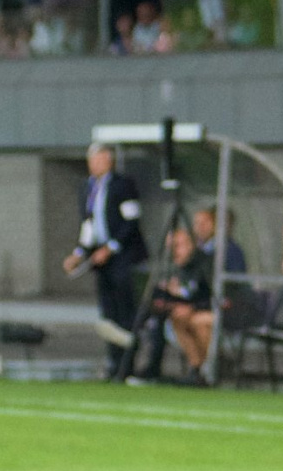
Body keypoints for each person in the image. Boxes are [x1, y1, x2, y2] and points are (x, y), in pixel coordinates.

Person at [63, 143, 147, 382]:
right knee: (108, 315)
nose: (93, 164)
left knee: (125, 312)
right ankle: (113, 363)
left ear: (108, 161)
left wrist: (110, 248)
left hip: (123, 257)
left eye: (98, 159)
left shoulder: (123, 185)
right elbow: (88, 224)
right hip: (101, 260)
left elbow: (131, 222)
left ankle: (128, 365)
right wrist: (79, 253)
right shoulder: (87, 187)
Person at [134, 228, 216, 386]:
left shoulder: (205, 264)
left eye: (178, 246)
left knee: (198, 322)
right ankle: (196, 369)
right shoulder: (177, 268)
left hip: (215, 313)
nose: (174, 252)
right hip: (185, 314)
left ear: (191, 245)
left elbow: (212, 295)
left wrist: (192, 307)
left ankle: (206, 369)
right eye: (171, 248)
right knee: (175, 317)